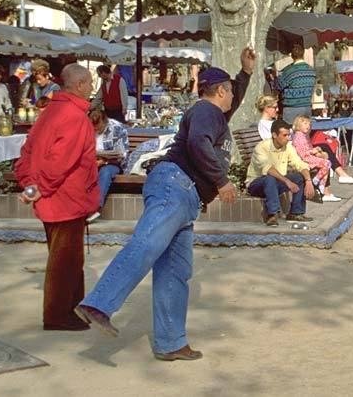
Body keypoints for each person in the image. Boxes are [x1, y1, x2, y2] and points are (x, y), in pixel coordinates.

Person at [75, 49, 255, 362]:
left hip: (186, 196)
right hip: (176, 185)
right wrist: (222, 180)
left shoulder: (214, 112)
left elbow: (231, 102)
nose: (233, 100)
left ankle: (171, 342)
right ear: (220, 92)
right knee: (147, 243)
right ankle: (99, 303)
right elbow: (199, 144)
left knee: (175, 272)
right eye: (230, 92)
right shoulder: (205, 111)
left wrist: (246, 73)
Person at [15, 64, 99, 331]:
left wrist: (30, 186)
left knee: (67, 258)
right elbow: (61, 161)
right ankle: (58, 315)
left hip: (52, 197)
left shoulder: (50, 112)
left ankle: (71, 309)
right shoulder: (75, 117)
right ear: (78, 86)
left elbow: (26, 152)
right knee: (65, 261)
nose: (92, 87)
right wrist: (41, 186)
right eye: (88, 83)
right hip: (66, 199)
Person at [247, 119, 315, 226]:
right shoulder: (261, 147)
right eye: (284, 135)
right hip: (257, 184)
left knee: (299, 177)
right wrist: (287, 181)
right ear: (274, 135)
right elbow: (268, 169)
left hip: (277, 182)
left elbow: (299, 164)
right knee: (270, 177)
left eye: (289, 135)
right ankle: (272, 215)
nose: (288, 138)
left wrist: (308, 180)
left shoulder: (288, 147)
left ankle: (295, 213)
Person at [87, 109, 129, 223]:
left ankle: (95, 208)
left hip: (112, 163)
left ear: (105, 122)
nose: (96, 131)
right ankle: (80, 207)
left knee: (105, 173)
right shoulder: (87, 127)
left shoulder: (117, 128)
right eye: (94, 129)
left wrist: (104, 161)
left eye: (98, 129)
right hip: (92, 161)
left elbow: (123, 155)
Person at [291, 115, 342, 203]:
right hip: (305, 158)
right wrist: (312, 151)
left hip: (309, 156)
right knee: (327, 163)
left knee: (326, 164)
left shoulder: (305, 136)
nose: (308, 126)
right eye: (305, 123)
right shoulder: (298, 136)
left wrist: (315, 151)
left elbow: (309, 147)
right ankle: (316, 181)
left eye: (309, 124)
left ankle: (322, 187)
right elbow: (301, 152)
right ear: (298, 125)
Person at [277, 43, 316, 124]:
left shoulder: (289, 71)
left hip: (291, 109)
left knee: (290, 134)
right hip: (306, 107)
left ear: (292, 56)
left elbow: (278, 86)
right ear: (303, 54)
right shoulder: (311, 71)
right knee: (305, 134)